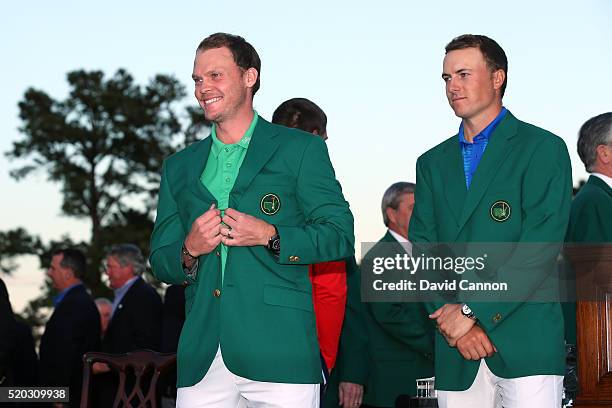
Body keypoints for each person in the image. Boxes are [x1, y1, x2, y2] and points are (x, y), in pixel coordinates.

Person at [150, 33, 354, 407]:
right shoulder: (178, 167)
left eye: (215, 76)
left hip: (281, 353)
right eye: (197, 79)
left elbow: (339, 235)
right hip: (202, 358)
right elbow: (160, 260)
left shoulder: (300, 149)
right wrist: (189, 250)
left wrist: (271, 235)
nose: (202, 88)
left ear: (249, 77)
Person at [409, 34, 572, 408]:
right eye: (447, 78)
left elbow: (539, 249)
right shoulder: (431, 162)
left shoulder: (542, 148)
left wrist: (471, 311)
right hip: (456, 348)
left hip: (525, 339)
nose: (453, 86)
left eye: (464, 74)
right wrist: (454, 323)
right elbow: (423, 250)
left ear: (497, 78)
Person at [272, 97, 347, 374]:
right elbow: (330, 288)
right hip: (301, 351)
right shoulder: (319, 200)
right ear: (316, 138)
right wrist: (323, 360)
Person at [362, 182, 434, 407]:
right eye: (413, 207)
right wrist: (437, 345)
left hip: (428, 373)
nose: (420, 212)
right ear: (391, 213)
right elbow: (389, 313)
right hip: (397, 377)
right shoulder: (378, 257)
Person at [39, 248, 101, 406]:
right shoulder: (75, 301)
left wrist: (58, 398)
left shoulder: (75, 304)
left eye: (53, 268)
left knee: (8, 395)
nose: (49, 273)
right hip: (66, 394)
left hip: (66, 397)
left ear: (67, 273)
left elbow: (65, 354)